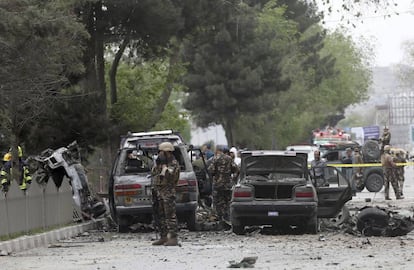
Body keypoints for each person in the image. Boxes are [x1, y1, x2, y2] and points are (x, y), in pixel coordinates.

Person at [151, 142, 180, 246]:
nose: (160, 155)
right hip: (159, 191)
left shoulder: (173, 163)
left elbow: (170, 176)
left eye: (162, 153)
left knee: (170, 215)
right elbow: (154, 174)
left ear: (168, 152)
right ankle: (163, 236)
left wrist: (164, 167)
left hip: (168, 192)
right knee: (160, 215)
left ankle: (173, 238)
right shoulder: (159, 163)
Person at [208, 145, 239, 226]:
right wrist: (233, 179)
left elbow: (211, 170)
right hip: (227, 184)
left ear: (218, 150)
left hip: (217, 184)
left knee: (217, 202)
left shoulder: (215, 158)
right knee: (227, 201)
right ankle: (228, 218)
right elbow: (236, 169)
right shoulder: (229, 158)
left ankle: (220, 219)